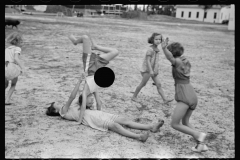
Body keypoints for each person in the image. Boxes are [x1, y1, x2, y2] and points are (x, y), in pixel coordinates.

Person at [46, 76, 165, 142]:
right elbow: (72, 97)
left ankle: (151, 127)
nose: (58, 103)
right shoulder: (63, 111)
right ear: (55, 111)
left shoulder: (73, 107)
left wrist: (90, 83)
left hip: (94, 113)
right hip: (90, 117)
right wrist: (79, 81)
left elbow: (84, 97)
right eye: (55, 104)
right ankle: (139, 137)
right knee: (115, 126)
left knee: (123, 120)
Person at [161, 37, 208, 152]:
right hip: (192, 94)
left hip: (184, 95)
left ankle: (198, 135)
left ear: (172, 53)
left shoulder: (176, 61)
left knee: (174, 124)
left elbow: (170, 57)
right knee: (185, 122)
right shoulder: (185, 60)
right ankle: (201, 144)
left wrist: (163, 48)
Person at [68, 34, 119, 123]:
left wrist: (79, 121)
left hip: (90, 65)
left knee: (85, 37)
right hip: (99, 66)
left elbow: (83, 107)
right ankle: (96, 47)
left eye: (89, 102)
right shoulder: (94, 90)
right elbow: (99, 103)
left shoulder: (85, 91)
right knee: (115, 52)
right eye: (92, 102)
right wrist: (99, 115)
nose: (92, 101)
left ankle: (75, 42)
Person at [132, 33, 173, 104]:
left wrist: (165, 45)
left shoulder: (156, 49)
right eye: (156, 39)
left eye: (159, 39)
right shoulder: (150, 49)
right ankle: (134, 97)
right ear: (152, 40)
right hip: (148, 70)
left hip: (154, 70)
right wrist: (150, 70)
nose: (158, 41)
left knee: (159, 84)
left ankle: (165, 99)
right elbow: (147, 60)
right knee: (143, 84)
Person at [5, 32, 25, 105]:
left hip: (5, 66)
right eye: (21, 41)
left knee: (5, 85)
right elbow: (16, 58)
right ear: (18, 41)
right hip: (12, 67)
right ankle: (7, 100)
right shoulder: (17, 48)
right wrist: (22, 67)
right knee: (13, 84)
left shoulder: (7, 49)